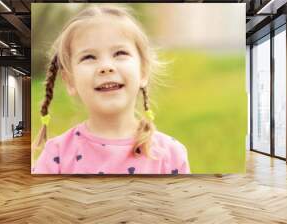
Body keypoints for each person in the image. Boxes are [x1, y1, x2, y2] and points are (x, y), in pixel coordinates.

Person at [32, 4, 190, 174]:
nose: (106, 67)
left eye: (120, 53)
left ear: (143, 71)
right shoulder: (56, 155)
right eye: (89, 57)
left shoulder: (170, 155)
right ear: (70, 81)